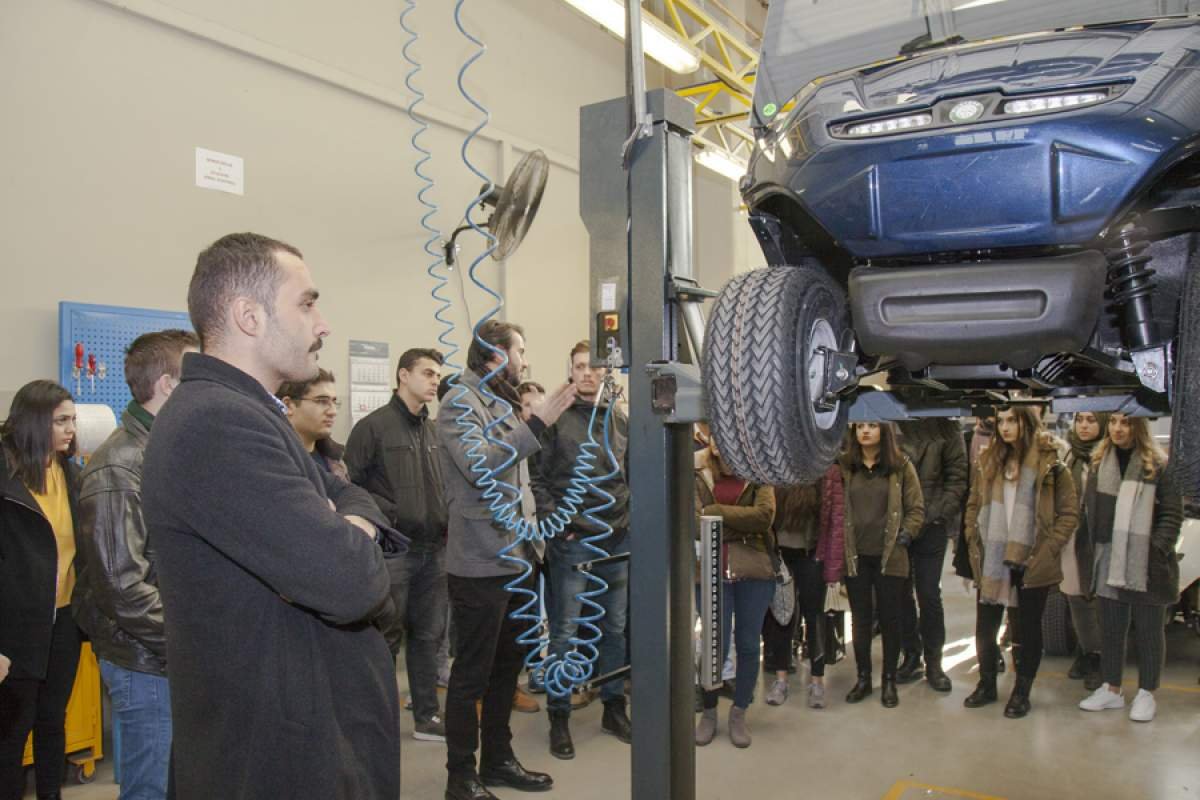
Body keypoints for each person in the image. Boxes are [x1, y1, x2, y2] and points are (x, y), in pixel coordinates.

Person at [142, 233, 400, 800]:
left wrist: (346, 517)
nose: (323, 323)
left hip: (303, 731)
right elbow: (350, 580)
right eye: (306, 303)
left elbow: (354, 500)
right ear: (248, 316)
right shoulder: (216, 425)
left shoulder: (251, 414)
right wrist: (346, 528)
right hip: (274, 754)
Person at [437, 320, 575, 800]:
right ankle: (461, 776)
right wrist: (536, 423)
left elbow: (518, 484)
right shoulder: (459, 402)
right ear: (494, 354)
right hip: (478, 564)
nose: (526, 360)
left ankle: (497, 760)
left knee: (506, 671)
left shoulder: (499, 402)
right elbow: (479, 468)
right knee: (471, 674)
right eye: (520, 350)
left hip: (518, 559)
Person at [72, 329, 198, 800]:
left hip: (168, 653)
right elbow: (122, 587)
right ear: (167, 384)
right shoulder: (118, 466)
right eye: (195, 375)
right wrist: (193, 636)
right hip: (146, 661)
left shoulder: (164, 451)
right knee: (151, 788)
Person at [345, 348, 451, 742]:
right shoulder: (372, 428)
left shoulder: (435, 431)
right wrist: (386, 516)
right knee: (384, 639)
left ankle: (427, 716)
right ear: (403, 376)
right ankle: (377, 720)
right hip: (395, 552)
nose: (434, 380)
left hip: (434, 551)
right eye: (427, 373)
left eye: (438, 374)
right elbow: (349, 488)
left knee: (428, 637)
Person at [533, 341, 632, 759]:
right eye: (579, 367)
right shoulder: (555, 422)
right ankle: (559, 716)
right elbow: (535, 481)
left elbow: (633, 476)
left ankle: (613, 706)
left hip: (618, 540)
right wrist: (560, 524)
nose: (587, 373)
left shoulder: (619, 419)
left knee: (613, 628)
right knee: (566, 633)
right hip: (574, 543)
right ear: (569, 373)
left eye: (594, 366)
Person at [963, 406, 1076, 719]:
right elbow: (973, 504)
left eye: (1011, 420)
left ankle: (1021, 691)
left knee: (1025, 631)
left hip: (1031, 557)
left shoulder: (1051, 462)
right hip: (993, 557)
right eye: (1000, 421)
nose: (1004, 427)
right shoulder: (988, 460)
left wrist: (1049, 548)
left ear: (1027, 422)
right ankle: (986, 684)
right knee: (985, 627)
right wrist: (973, 534)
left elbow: (1069, 513)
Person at [0, 381, 80, 800]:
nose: (71, 429)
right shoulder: (6, 477)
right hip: (14, 629)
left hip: (63, 622)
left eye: (73, 419)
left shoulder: (70, 472)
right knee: (11, 736)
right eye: (60, 420)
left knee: (53, 722)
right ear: (34, 423)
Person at [1078, 414, 1183, 723]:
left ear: (1139, 427)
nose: (1117, 429)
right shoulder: (1100, 463)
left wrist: (1155, 549)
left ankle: (1147, 693)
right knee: (1110, 630)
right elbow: (1090, 513)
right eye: (1112, 422)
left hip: (1144, 562)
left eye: (1125, 422)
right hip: (1108, 558)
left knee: (1149, 632)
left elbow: (1172, 514)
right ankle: (1111, 690)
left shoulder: (1158, 465)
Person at [693, 439, 777, 748]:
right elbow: (693, 521)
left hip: (754, 571)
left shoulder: (759, 469)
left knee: (747, 644)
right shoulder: (696, 469)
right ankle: (710, 713)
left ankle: (739, 712)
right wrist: (739, 522)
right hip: (710, 571)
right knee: (714, 645)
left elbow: (765, 517)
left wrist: (715, 513)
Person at [838, 422, 924, 709]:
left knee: (891, 619)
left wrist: (907, 534)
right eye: (860, 426)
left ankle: (888, 679)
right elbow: (836, 508)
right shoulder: (846, 468)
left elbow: (916, 508)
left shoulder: (900, 467)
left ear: (883, 432)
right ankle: (863, 678)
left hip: (890, 556)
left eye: (872, 426)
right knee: (860, 621)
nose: (865, 431)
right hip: (856, 556)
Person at [761, 466, 844, 709]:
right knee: (782, 617)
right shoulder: (776, 467)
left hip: (813, 556)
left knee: (815, 617)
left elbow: (836, 522)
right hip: (782, 556)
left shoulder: (827, 471)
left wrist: (833, 567)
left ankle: (817, 682)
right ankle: (781, 679)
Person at [895, 419, 967, 691]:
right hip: (899, 521)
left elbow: (957, 476)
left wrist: (937, 514)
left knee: (928, 593)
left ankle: (934, 661)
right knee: (900, 592)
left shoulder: (946, 425)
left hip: (931, 523)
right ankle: (911, 654)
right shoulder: (893, 420)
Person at [1061, 411, 1109, 691]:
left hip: (1099, 539)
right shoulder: (1070, 456)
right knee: (1076, 598)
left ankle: (1099, 658)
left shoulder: (1109, 457)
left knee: (1098, 601)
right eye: (1080, 420)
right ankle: (1087, 651)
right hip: (1072, 539)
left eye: (1091, 420)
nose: (1084, 425)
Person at [277, 367, 350, 480]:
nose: (333, 411)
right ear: (288, 405)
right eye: (321, 401)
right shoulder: (275, 458)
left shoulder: (335, 459)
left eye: (334, 402)